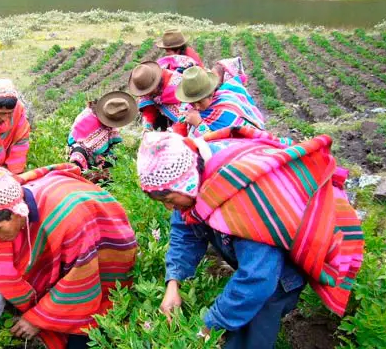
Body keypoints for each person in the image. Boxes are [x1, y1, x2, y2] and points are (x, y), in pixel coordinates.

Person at [136, 128, 364, 348]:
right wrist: (173, 282)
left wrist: (209, 326)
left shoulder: (243, 199)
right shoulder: (193, 176)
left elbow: (258, 278)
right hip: (261, 261)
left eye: (170, 199)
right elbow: (185, 231)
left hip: (280, 268)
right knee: (239, 314)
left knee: (253, 331)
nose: (168, 206)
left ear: (186, 183)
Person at [0, 164, 137, 349]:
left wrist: (37, 319)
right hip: (70, 247)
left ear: (19, 212)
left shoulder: (68, 220)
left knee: (84, 336)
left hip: (98, 246)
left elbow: (80, 281)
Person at [173, 66, 264, 138]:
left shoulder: (225, 111)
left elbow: (225, 144)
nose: (196, 107)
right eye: (192, 103)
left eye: (200, 102)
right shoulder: (192, 110)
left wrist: (199, 124)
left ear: (211, 93)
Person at [67, 91, 137, 181]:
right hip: (79, 150)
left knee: (111, 160)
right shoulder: (88, 117)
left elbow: (108, 145)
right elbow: (76, 138)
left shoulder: (99, 118)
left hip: (93, 153)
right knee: (82, 162)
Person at [128, 61, 183, 131]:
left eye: (149, 90)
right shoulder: (145, 86)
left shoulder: (176, 83)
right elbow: (149, 110)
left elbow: (186, 111)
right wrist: (147, 127)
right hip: (164, 120)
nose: (147, 94)